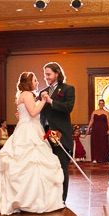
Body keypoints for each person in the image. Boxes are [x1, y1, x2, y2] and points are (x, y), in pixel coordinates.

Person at [0, 72, 65, 215]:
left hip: (28, 128)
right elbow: (33, 113)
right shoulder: (27, 94)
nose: (37, 82)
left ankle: (28, 198)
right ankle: (30, 200)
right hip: (28, 132)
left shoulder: (23, 95)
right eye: (35, 80)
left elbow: (25, 114)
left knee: (29, 163)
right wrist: (43, 100)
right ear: (28, 82)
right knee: (29, 162)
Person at [40, 62, 75, 202]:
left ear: (57, 74)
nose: (46, 77)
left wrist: (51, 101)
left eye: (48, 74)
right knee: (48, 169)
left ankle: (62, 200)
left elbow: (68, 108)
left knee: (61, 168)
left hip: (61, 136)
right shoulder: (44, 91)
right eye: (45, 75)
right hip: (45, 136)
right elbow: (38, 111)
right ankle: (50, 199)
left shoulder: (68, 89)